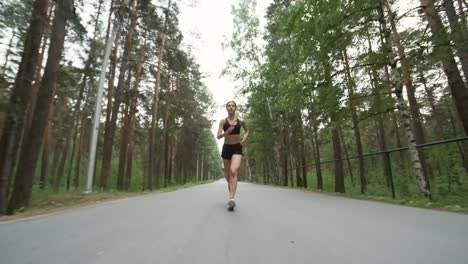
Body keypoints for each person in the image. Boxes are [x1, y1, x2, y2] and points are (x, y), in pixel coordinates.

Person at [217, 101, 249, 210]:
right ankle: (231, 196)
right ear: (226, 108)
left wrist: (243, 140)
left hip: (236, 148)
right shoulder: (223, 121)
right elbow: (218, 136)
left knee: (233, 171)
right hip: (226, 148)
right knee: (228, 176)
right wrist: (227, 132)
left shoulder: (241, 121)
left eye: (233, 106)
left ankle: (231, 199)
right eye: (229, 106)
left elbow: (247, 131)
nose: (231, 107)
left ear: (236, 108)